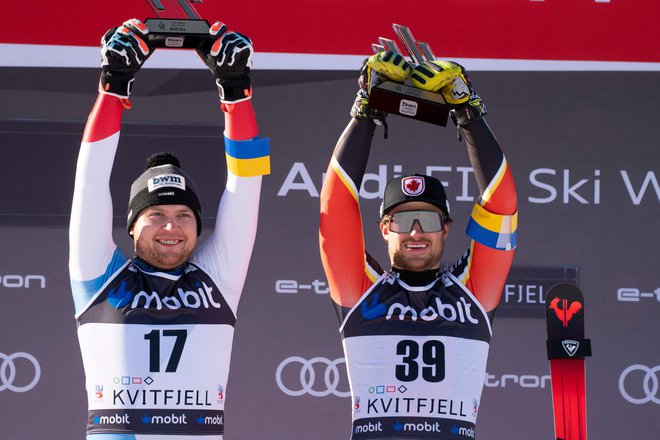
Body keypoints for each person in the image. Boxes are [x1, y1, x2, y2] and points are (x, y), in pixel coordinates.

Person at [68, 19, 269, 439]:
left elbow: (246, 186)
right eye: (155, 215)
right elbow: (89, 182)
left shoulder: (218, 278)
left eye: (183, 216)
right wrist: (112, 89)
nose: (171, 227)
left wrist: (237, 94)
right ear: (131, 225)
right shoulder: (98, 277)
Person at [319, 51, 517, 439]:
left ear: (446, 229)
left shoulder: (475, 292)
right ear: (383, 228)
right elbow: (335, 203)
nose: (414, 232)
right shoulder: (359, 291)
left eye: (427, 220)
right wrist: (365, 112)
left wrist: (467, 111)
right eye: (401, 220)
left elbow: (501, 204)